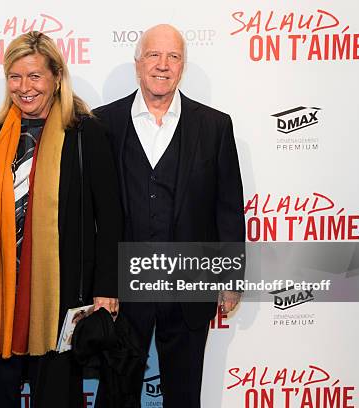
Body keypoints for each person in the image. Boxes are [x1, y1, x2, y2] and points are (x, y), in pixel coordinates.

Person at [0, 31, 122, 408]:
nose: (24, 88)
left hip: (58, 294)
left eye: (34, 76)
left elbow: (109, 218)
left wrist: (106, 288)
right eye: (15, 76)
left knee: (56, 393)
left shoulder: (85, 133)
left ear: (56, 77)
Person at [94, 24, 245, 407]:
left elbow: (227, 205)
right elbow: (91, 212)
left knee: (184, 394)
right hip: (123, 288)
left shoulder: (214, 125)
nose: (163, 65)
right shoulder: (101, 124)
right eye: (153, 55)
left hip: (190, 283)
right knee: (116, 393)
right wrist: (99, 282)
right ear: (137, 63)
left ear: (183, 65)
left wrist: (230, 275)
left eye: (173, 56)